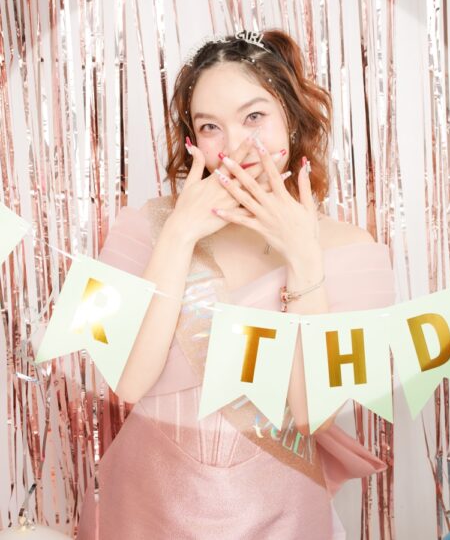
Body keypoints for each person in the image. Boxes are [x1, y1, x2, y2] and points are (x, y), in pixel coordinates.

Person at [76, 29, 396, 539]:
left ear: (290, 118)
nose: (235, 146)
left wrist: (304, 258)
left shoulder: (350, 248)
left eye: (254, 117)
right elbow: (128, 383)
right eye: (210, 126)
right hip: (144, 504)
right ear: (193, 139)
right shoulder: (144, 227)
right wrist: (177, 236)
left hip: (282, 512)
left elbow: (313, 412)